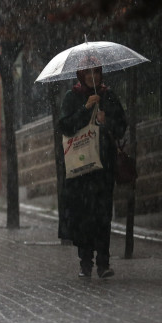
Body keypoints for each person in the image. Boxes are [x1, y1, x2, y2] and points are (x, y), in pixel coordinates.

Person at [57, 56, 127, 278]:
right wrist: (85, 110)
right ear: (81, 75)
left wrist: (107, 122)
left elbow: (121, 127)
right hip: (80, 168)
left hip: (103, 166)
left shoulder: (108, 96)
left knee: (103, 214)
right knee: (83, 215)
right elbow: (65, 127)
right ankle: (85, 261)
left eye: (95, 72)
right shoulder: (72, 97)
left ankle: (103, 262)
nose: (92, 76)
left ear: (100, 73)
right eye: (87, 73)